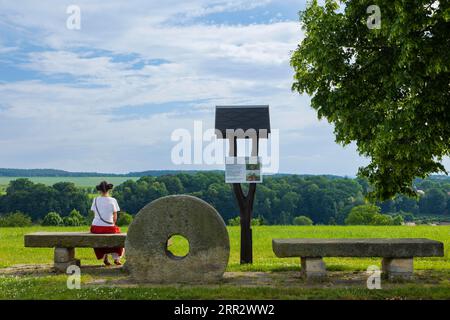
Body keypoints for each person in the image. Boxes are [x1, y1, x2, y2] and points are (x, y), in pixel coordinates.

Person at [90, 181, 124, 266]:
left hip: (95, 227)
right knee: (117, 237)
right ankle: (116, 259)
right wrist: (112, 224)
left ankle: (105, 258)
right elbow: (115, 217)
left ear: (99, 190)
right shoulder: (113, 200)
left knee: (100, 240)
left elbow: (95, 215)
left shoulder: (95, 200)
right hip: (108, 226)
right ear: (109, 190)